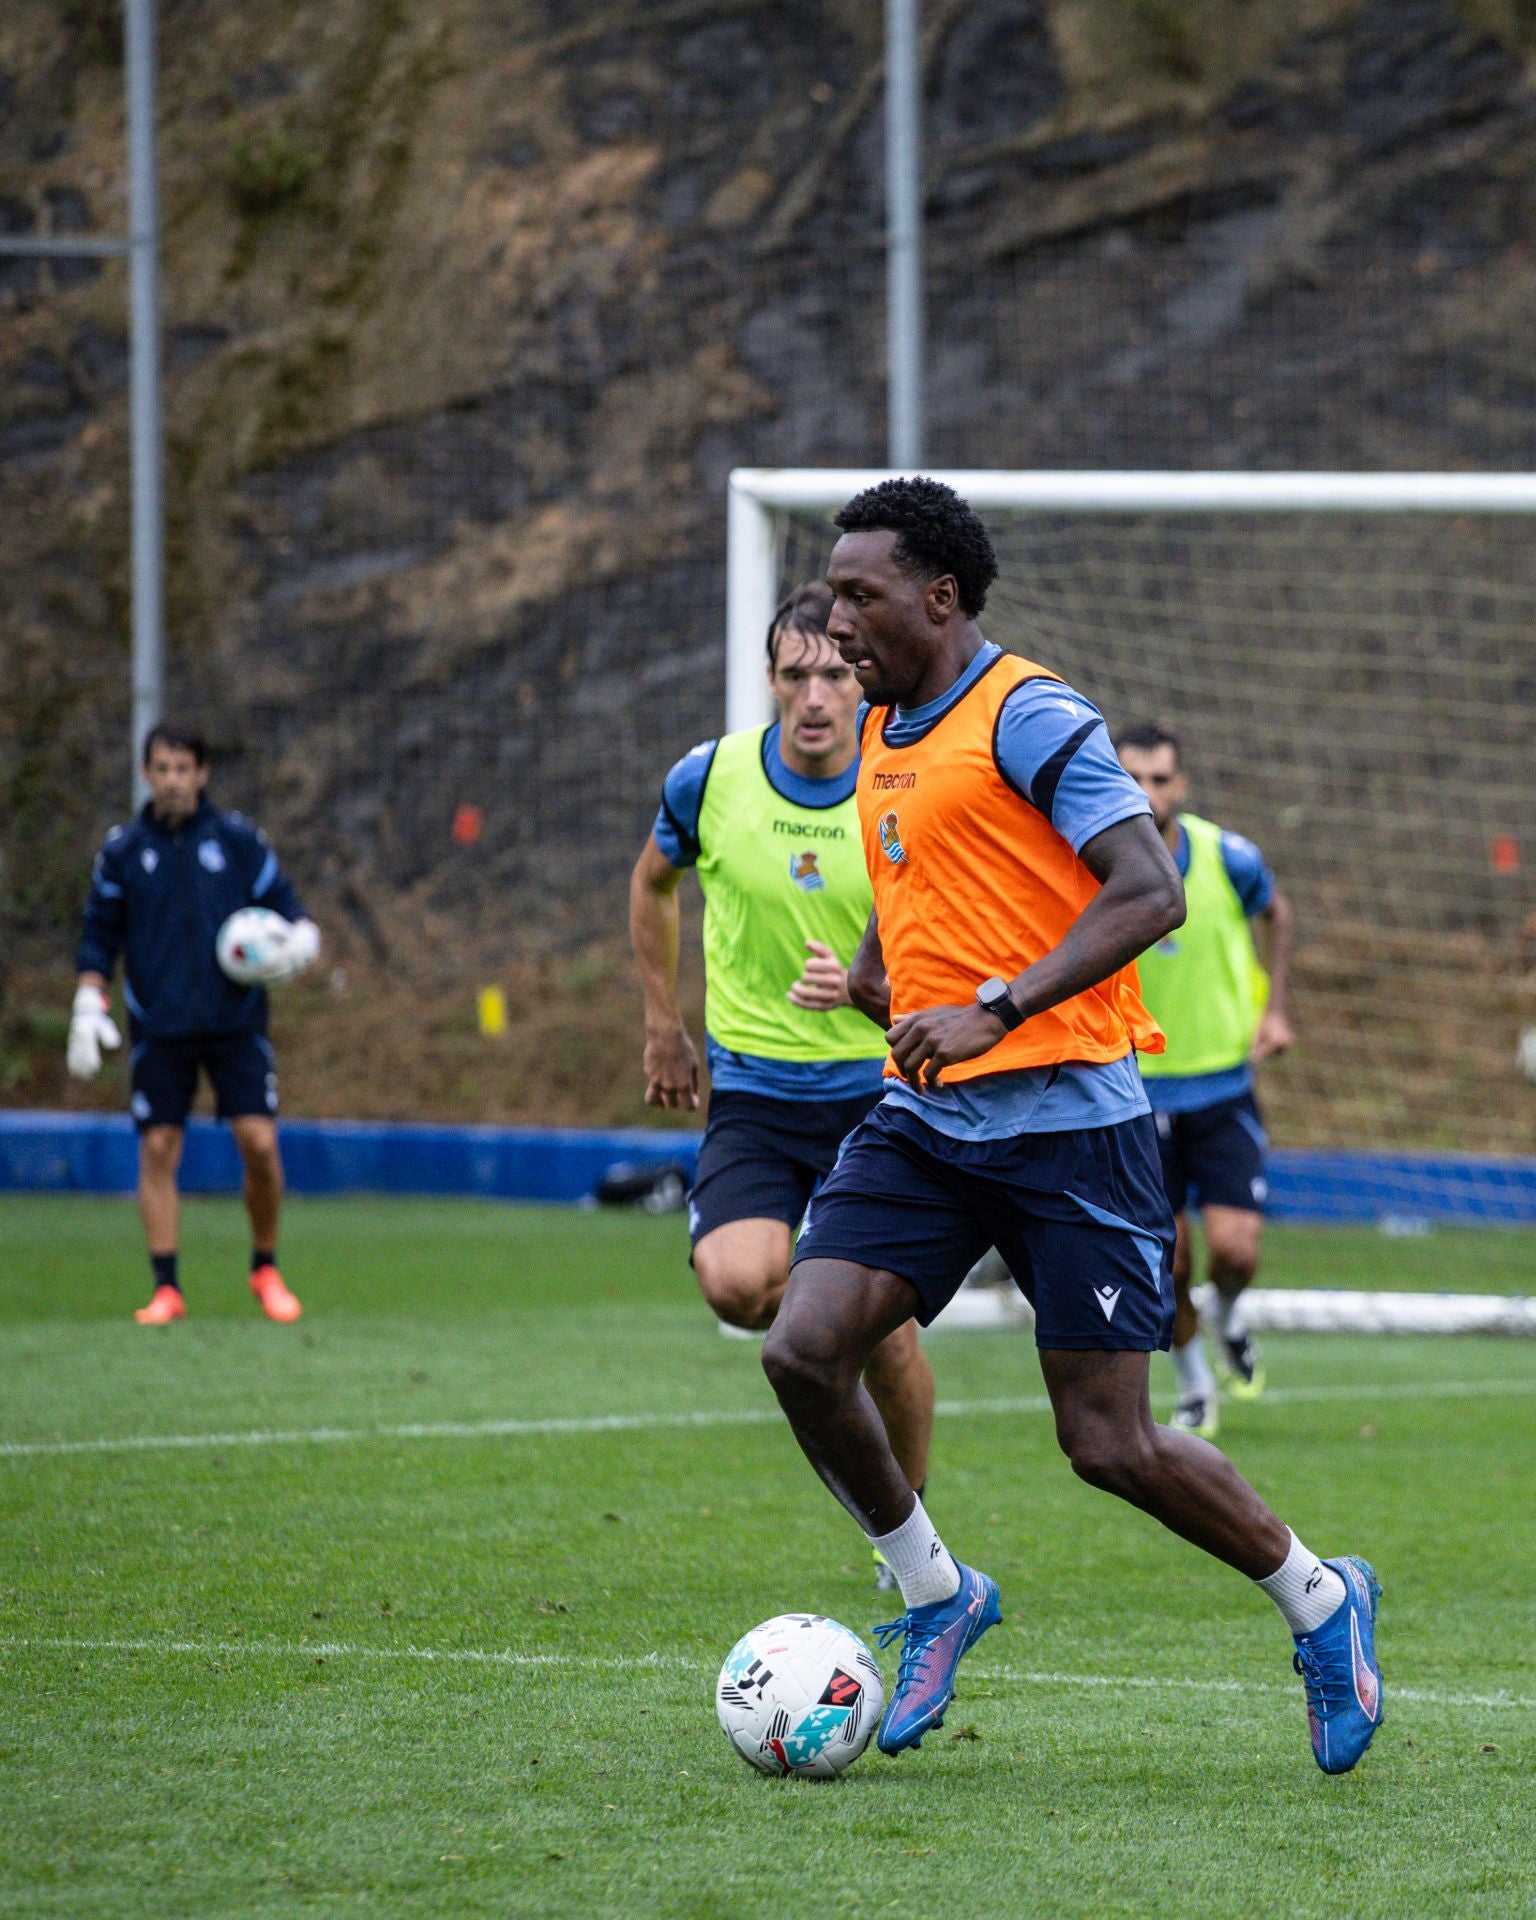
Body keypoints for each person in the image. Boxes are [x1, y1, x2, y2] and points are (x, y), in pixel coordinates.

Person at [760, 478, 1382, 1776]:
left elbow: (1146, 891)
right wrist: (890, 981)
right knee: (802, 1348)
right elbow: (917, 879)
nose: (837, 620)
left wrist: (997, 1005)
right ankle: (937, 1593)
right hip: (926, 1123)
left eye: (861, 595)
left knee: (1107, 1444)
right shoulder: (881, 723)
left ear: (940, 597)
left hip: (1073, 1128)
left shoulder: (1032, 714)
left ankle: (1323, 1603)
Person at [629, 583, 936, 1586]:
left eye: (836, 673)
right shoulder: (708, 779)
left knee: (883, 1339)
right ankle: (825, 1324)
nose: (816, 694)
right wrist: (662, 1024)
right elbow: (651, 881)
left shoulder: (903, 783)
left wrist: (864, 992)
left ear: (863, 678)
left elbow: (941, 947)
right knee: (734, 1282)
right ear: (768, 681)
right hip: (754, 1096)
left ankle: (909, 1547)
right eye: (795, 674)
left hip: (875, 1099)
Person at [70, 723, 320, 1324]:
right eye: (163, 768)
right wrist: (87, 1004)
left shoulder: (236, 841)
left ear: (202, 773)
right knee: (159, 1146)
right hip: (160, 1024)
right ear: (146, 774)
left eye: (184, 768)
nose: (174, 780)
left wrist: (299, 943)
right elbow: (98, 934)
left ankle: (265, 1268)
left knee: (258, 1143)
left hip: (235, 1021)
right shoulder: (124, 851)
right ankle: (166, 1288)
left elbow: (290, 910)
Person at [1116, 722, 1295, 1439]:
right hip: (1135, 1093)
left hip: (1221, 1087)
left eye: (1159, 779)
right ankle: (1193, 1385)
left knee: (1236, 1252)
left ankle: (1228, 1315)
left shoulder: (1229, 857)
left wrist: (1275, 1008)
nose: (1146, 793)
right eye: (1131, 777)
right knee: (1169, 1258)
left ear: (1179, 787)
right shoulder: (1093, 861)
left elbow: (1278, 913)